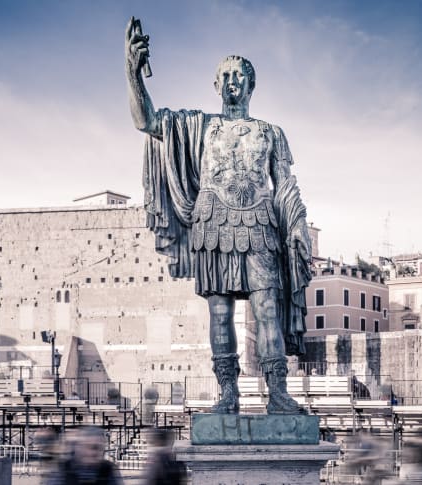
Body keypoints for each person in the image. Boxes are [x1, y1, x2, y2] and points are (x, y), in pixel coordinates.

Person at [125, 17, 312, 414]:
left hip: (261, 227)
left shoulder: (270, 132)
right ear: (215, 86)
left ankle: (277, 391)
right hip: (212, 226)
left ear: (251, 84)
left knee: (266, 310)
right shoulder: (199, 126)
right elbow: (147, 122)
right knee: (221, 315)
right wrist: (133, 74)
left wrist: (296, 225)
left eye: (239, 75)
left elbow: (286, 183)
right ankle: (228, 393)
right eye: (224, 75)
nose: (231, 81)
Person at [47, 426, 122, 484]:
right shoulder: (62, 469)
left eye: (99, 448)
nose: (94, 453)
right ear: (79, 447)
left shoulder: (108, 469)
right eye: (90, 447)